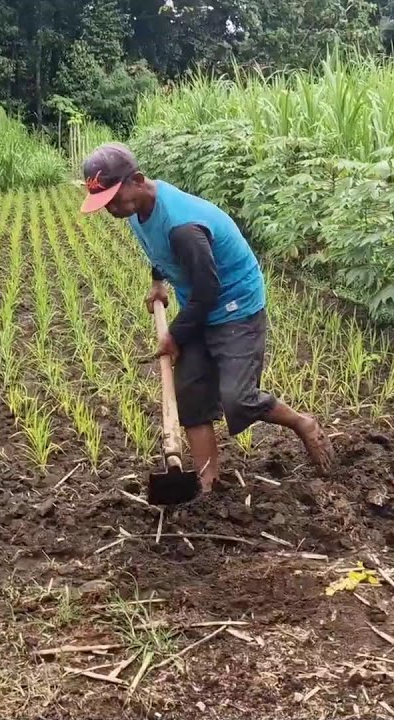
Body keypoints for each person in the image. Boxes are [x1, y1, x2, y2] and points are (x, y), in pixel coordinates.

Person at [79, 142, 334, 493]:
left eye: (112, 199)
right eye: (103, 202)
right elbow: (159, 250)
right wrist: (158, 283)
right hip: (198, 303)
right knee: (191, 394)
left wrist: (174, 335)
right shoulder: (137, 210)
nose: (110, 208)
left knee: (239, 399)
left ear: (137, 180)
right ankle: (207, 482)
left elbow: (208, 290)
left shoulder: (183, 226)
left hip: (235, 305)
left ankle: (302, 423)